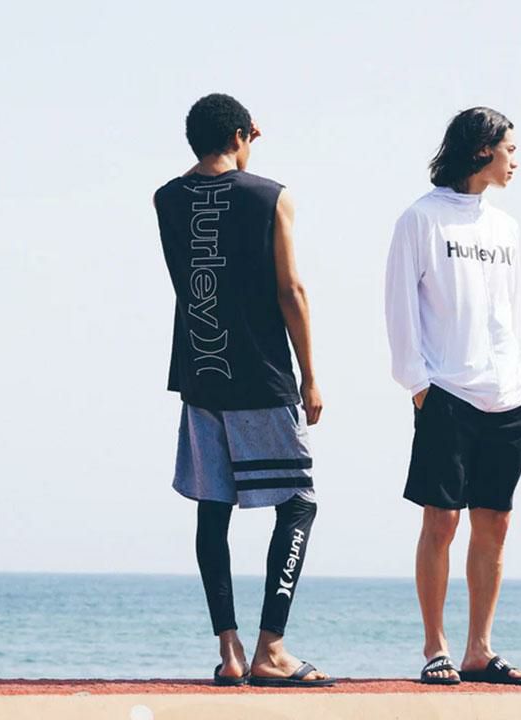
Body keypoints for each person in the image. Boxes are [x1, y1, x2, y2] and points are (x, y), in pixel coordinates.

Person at [153, 93, 332, 687]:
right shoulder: (270, 196)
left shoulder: (166, 199)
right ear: (239, 135)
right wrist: (310, 374)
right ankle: (270, 649)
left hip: (201, 376)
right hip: (262, 374)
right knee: (298, 504)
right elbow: (290, 290)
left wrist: (232, 138)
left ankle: (229, 651)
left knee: (214, 508)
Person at [385, 107, 521, 686]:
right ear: (481, 151)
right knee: (442, 520)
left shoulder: (506, 228)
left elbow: (513, 313)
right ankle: (436, 647)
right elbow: (400, 306)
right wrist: (418, 385)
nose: (515, 160)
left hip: (510, 395)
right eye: (509, 150)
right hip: (446, 391)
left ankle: (479, 649)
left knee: (494, 522)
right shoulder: (420, 219)